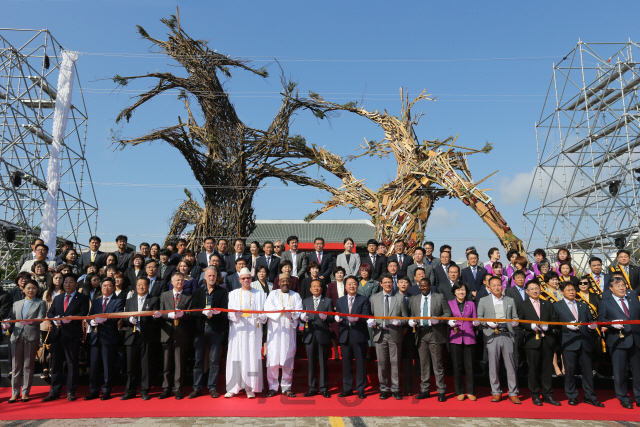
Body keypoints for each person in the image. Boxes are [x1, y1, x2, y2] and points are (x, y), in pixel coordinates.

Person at [42, 273, 91, 402]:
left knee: (72, 364)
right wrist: (54, 320)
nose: (67, 284)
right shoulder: (58, 298)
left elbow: (83, 312)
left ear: (76, 284)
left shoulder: (82, 298)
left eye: (70, 282)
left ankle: (71, 391)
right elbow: (51, 312)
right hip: (57, 334)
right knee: (56, 364)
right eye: (65, 282)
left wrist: (70, 320)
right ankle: (54, 391)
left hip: (72, 335)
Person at [555, 281, 604, 407]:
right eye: (568, 290)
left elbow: (590, 320)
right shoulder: (557, 306)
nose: (572, 292)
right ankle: (572, 395)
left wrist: (593, 326)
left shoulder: (583, 305)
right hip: (569, 342)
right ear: (562, 292)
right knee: (570, 371)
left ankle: (590, 396)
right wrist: (567, 327)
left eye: (573, 289)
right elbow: (554, 325)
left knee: (587, 371)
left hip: (585, 342)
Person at [477, 276, 521, 404]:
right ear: (489, 287)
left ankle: (513, 392)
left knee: (511, 366)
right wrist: (487, 323)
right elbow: (479, 317)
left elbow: (515, 316)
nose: (497, 287)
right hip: (492, 335)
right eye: (494, 285)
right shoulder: (484, 300)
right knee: (493, 366)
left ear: (503, 286)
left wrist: (514, 322)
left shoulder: (509, 300)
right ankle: (496, 391)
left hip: (507, 334)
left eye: (499, 285)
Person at [225, 268, 267, 398]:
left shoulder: (260, 294)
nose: (246, 280)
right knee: (236, 356)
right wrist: (235, 315)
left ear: (251, 279)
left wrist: (261, 317)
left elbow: (265, 313)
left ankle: (250, 387)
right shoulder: (233, 294)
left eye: (248, 278)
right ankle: (233, 387)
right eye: (243, 278)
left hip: (253, 330)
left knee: (251, 356)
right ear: (239, 280)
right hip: (238, 331)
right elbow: (229, 314)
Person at [407, 277, 451, 401]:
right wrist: (411, 320)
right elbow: (411, 314)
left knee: (437, 363)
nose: (422, 288)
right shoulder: (415, 299)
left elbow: (448, 313)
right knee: (423, 364)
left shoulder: (439, 297)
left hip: (435, 332)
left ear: (430, 285)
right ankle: (424, 389)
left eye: (425, 286)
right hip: (420, 334)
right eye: (421, 286)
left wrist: (439, 319)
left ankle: (441, 390)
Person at [517, 280, 560, 406]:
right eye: (532, 289)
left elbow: (555, 319)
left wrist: (548, 325)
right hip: (532, 341)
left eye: (537, 288)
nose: (535, 291)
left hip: (547, 340)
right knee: (533, 369)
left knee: (547, 369)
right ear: (527, 291)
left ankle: (548, 394)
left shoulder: (547, 304)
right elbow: (519, 321)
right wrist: (531, 325)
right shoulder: (522, 305)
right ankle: (535, 395)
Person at [600, 276, 640, 409]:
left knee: (638, 371)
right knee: (620, 371)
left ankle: (638, 396)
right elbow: (602, 319)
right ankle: (623, 397)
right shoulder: (605, 302)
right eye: (618, 286)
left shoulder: (634, 300)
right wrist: (612, 324)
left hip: (636, 339)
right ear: (611, 288)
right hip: (618, 340)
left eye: (623, 285)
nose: (622, 288)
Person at [4, 280, 46, 402]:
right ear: (23, 289)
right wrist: (7, 325)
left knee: (28, 365)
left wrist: (31, 321)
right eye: (28, 288)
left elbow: (41, 318)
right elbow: (12, 318)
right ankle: (15, 392)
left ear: (37, 290)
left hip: (31, 335)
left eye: (33, 288)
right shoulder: (17, 303)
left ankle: (25, 392)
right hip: (16, 336)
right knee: (16, 366)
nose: (31, 290)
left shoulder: (40, 303)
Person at [368, 273, 408, 400]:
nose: (387, 284)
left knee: (395, 363)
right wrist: (370, 321)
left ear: (393, 283)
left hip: (394, 333)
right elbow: (371, 314)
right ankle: (384, 388)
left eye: (390, 282)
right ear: (381, 284)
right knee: (382, 363)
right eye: (385, 282)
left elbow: (406, 318)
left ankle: (395, 389)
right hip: (380, 333)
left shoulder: (399, 298)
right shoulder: (374, 298)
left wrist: (400, 322)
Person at [120, 277, 161, 401]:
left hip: (146, 336)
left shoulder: (154, 299)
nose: (141, 287)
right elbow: (125, 317)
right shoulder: (130, 300)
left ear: (148, 286)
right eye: (139, 285)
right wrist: (129, 320)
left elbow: (155, 319)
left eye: (143, 285)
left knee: (146, 365)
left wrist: (156, 317)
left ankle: (145, 390)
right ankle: (130, 390)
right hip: (132, 336)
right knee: (130, 366)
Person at [84, 277, 125, 401]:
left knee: (108, 365)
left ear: (113, 287)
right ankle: (93, 390)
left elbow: (117, 316)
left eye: (108, 286)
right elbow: (89, 316)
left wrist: (105, 319)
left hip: (109, 337)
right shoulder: (96, 301)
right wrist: (91, 322)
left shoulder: (118, 301)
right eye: (104, 286)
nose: (106, 288)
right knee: (94, 365)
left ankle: (107, 390)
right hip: (95, 337)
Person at [191, 266, 228, 399]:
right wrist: (202, 312)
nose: (211, 278)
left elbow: (224, 310)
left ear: (216, 277)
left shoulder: (222, 292)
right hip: (200, 328)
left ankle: (212, 387)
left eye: (213, 276)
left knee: (214, 360)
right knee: (199, 360)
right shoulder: (198, 292)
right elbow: (193, 309)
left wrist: (216, 314)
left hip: (215, 328)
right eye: (209, 276)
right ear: (205, 277)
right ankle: (197, 387)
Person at [264, 273, 303, 397]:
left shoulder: (296, 295)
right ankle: (273, 387)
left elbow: (299, 311)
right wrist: (281, 311)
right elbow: (267, 310)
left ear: (290, 282)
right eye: (283, 281)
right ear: (279, 283)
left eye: (287, 281)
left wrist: (290, 315)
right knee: (273, 361)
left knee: (287, 360)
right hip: (274, 331)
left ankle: (286, 387)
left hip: (288, 331)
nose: (285, 283)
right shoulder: (272, 294)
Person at [158, 272, 193, 400]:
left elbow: (191, 315)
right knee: (166, 363)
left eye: (182, 280)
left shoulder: (188, 296)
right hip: (167, 332)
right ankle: (166, 388)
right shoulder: (165, 295)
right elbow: (160, 312)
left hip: (181, 333)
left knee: (179, 362)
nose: (180, 282)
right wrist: (168, 316)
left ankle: (178, 389)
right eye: (177, 280)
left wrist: (182, 315)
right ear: (172, 282)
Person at [336, 275, 371, 399]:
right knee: (346, 363)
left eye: (354, 284)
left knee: (360, 363)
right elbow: (338, 315)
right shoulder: (340, 300)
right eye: (349, 284)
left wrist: (357, 318)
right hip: (345, 334)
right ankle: (348, 388)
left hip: (358, 334)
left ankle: (361, 389)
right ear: (345, 287)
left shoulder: (364, 299)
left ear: (357, 286)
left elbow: (366, 315)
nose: (352, 286)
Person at [300, 279, 334, 398]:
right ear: (310, 289)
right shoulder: (305, 301)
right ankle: (312, 388)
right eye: (313, 286)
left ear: (321, 288)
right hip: (309, 335)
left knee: (323, 363)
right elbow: (301, 317)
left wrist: (326, 317)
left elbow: (332, 318)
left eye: (318, 286)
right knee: (311, 363)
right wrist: (302, 318)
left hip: (322, 335)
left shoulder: (328, 301)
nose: (316, 288)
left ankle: (324, 388)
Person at [447, 282, 478, 401]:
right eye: (459, 290)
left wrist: (476, 323)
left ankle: (470, 391)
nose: (461, 292)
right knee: (457, 366)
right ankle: (459, 391)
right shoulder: (450, 304)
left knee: (470, 366)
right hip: (455, 336)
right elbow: (447, 318)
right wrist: (449, 323)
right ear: (454, 292)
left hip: (469, 336)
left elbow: (474, 319)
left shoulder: (471, 304)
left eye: (463, 290)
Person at [395, 277, 417, 395]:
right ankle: (395, 387)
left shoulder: (413, 298)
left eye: (406, 282)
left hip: (409, 333)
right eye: (401, 282)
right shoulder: (393, 297)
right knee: (395, 361)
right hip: (395, 332)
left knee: (408, 361)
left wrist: (407, 328)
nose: (403, 284)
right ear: (397, 284)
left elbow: (414, 314)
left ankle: (408, 387)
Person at [326, 266, 347, 360]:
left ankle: (343, 351)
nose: (339, 274)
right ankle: (336, 352)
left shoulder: (347, 284)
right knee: (334, 332)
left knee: (344, 331)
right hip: (334, 312)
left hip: (346, 313)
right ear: (334, 275)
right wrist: (332, 308)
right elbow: (328, 298)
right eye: (337, 273)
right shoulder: (330, 285)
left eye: (341, 273)